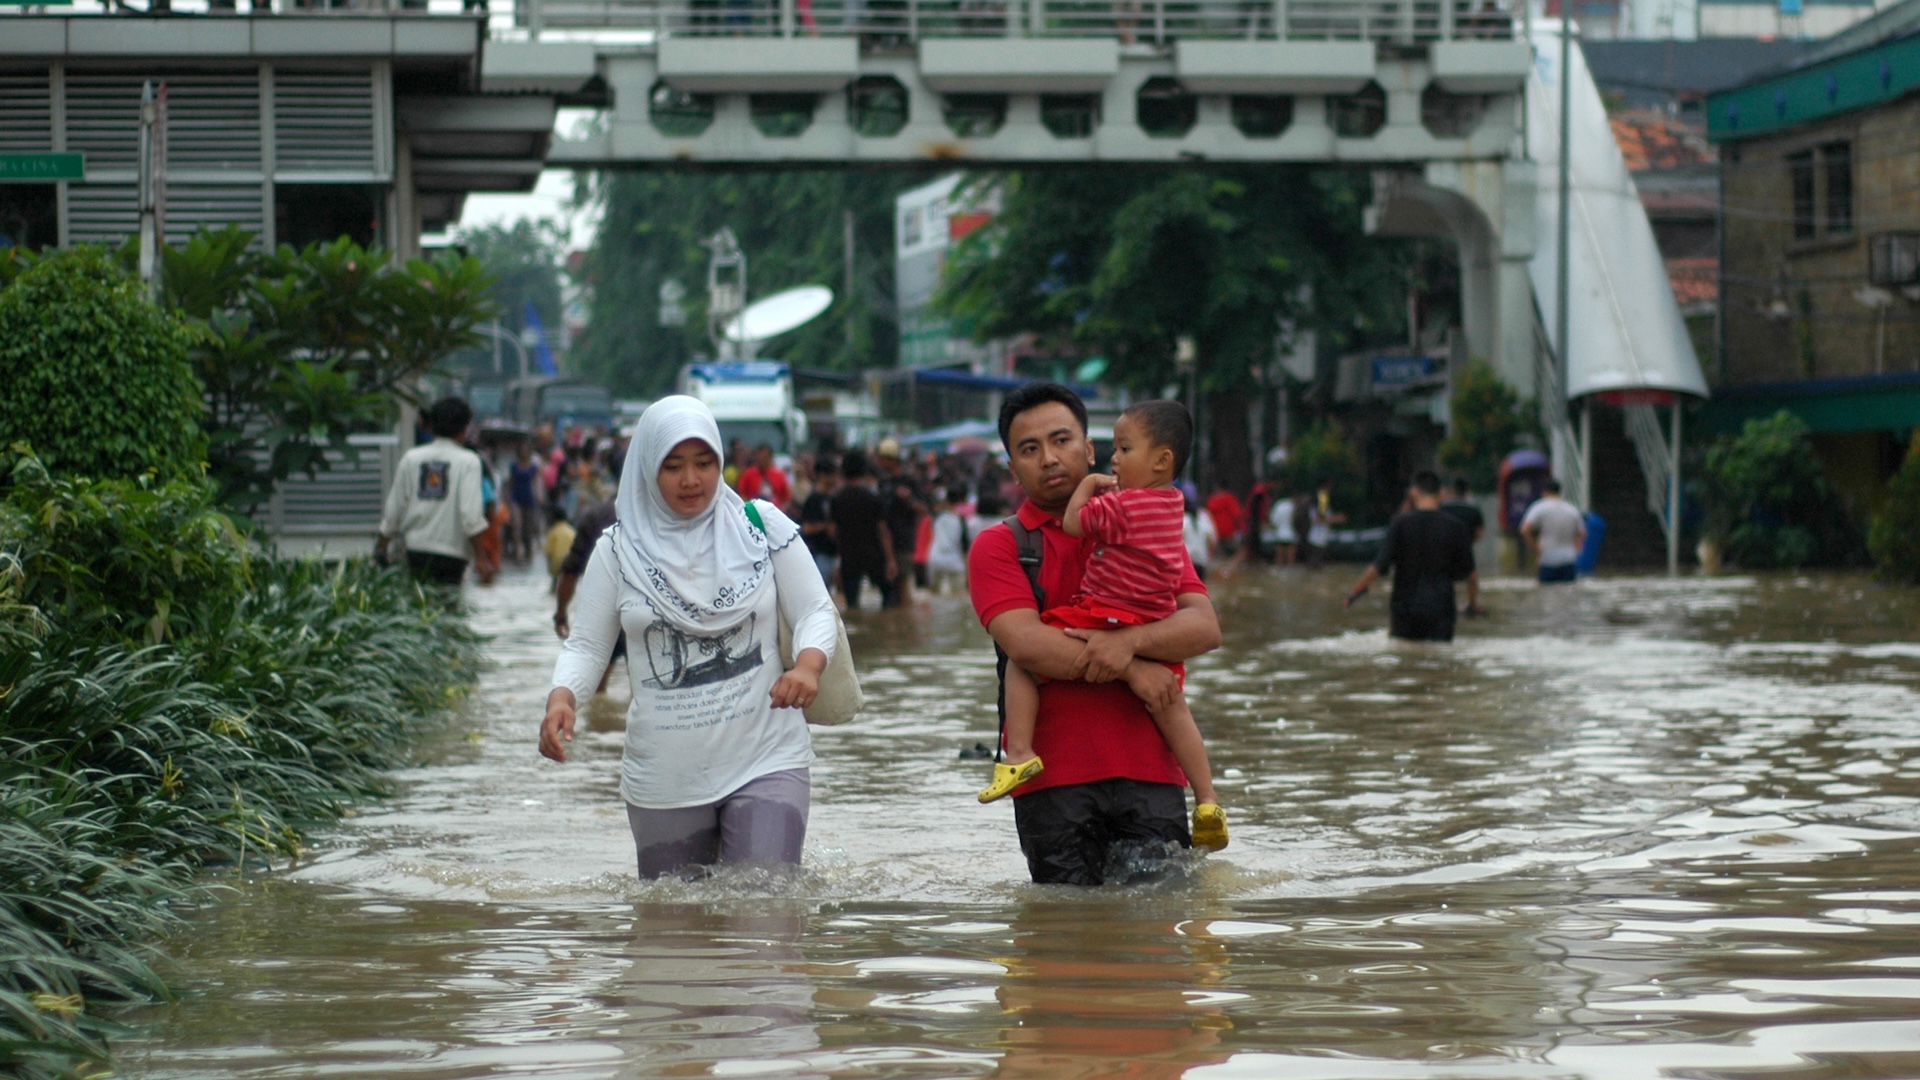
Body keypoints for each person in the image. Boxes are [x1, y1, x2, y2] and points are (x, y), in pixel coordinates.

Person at [539, 397, 840, 879]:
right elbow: (587, 646)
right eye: (673, 466)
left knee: (767, 915)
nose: (691, 480)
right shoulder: (618, 551)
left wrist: (808, 665)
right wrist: (563, 697)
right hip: (665, 775)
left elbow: (816, 610)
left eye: (705, 463)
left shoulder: (761, 527)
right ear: (646, 469)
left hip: (767, 755)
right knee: (669, 934)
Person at [968, 385, 1225, 885]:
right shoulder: (1001, 546)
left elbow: (1203, 626)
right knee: (1065, 940)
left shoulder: (1144, 526)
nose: (1049, 458)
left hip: (1151, 774)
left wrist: (1128, 642)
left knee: (1160, 937)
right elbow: (1026, 645)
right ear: (1012, 468)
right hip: (1053, 784)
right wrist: (1133, 667)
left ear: (1090, 450)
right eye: (1029, 449)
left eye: (1062, 440)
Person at [1344, 471, 1478, 642]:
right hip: (1441, 610)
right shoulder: (1456, 527)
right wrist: (1473, 606)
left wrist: (1355, 592)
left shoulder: (1400, 523)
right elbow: (1472, 576)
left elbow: (1379, 567)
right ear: (1441, 493)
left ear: (1414, 492)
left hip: (1405, 609)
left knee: (1405, 660)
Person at [376, 397, 487, 588]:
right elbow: (470, 516)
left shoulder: (411, 458)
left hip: (414, 552)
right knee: (447, 612)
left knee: (419, 611)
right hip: (451, 555)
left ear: (431, 426)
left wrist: (382, 546)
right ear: (464, 428)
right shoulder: (468, 461)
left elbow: (394, 509)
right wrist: (482, 558)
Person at [830, 450, 898, 610]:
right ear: (865, 470)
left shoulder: (837, 499)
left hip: (849, 556)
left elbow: (833, 531)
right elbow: (883, 530)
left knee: (852, 604)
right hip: (874, 554)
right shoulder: (873, 497)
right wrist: (890, 559)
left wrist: (839, 559)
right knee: (889, 597)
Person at [1520, 479, 1587, 584]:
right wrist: (1576, 548)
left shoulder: (1539, 508)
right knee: (1568, 594)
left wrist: (1535, 547)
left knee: (1547, 594)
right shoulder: (1572, 509)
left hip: (1548, 559)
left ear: (1545, 492)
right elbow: (1582, 534)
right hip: (1569, 560)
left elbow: (1525, 530)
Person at [1440, 478, 1488, 616]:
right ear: (1467, 491)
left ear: (1452, 490)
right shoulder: (1473, 509)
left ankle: (1445, 605)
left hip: (1443, 548)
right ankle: (1473, 605)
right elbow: (1480, 533)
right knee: (1471, 576)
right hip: (1465, 548)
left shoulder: (1443, 507)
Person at [799, 456, 840, 592]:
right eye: (833, 474)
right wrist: (825, 527)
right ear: (823, 476)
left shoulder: (834, 498)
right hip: (819, 554)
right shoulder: (814, 500)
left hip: (833, 553)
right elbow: (806, 528)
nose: (836, 478)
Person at [925, 484, 972, 595]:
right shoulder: (961, 521)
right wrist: (968, 574)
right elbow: (965, 548)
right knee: (958, 596)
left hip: (934, 559)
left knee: (934, 595)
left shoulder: (937, 516)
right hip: (954, 562)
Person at [507, 443, 542, 563]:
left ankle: (528, 552)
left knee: (528, 527)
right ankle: (518, 552)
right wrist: (506, 496)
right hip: (516, 497)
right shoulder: (514, 466)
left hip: (528, 498)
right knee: (517, 526)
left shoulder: (533, 467)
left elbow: (537, 482)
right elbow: (511, 481)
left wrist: (539, 496)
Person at [737, 443, 792, 508]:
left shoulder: (779, 475)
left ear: (770, 457)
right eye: (759, 457)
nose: (761, 460)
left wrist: (781, 509)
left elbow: (786, 497)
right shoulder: (748, 474)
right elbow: (742, 493)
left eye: (765, 457)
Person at [1184, 491, 1218, 583]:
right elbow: (1212, 540)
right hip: (1202, 560)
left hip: (1188, 562)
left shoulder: (1184, 519)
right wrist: (1209, 556)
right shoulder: (1205, 518)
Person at [543, 504, 576, 595]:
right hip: (570, 562)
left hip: (557, 561)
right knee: (569, 583)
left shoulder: (553, 531)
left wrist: (550, 567)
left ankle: (553, 590)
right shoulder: (572, 531)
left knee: (554, 582)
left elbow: (549, 552)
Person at [1204, 484, 1244, 561]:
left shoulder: (1211, 500)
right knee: (1235, 555)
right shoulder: (1230, 499)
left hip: (1215, 532)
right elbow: (1236, 514)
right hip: (1228, 532)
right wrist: (1240, 527)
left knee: (1216, 557)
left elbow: (1207, 516)